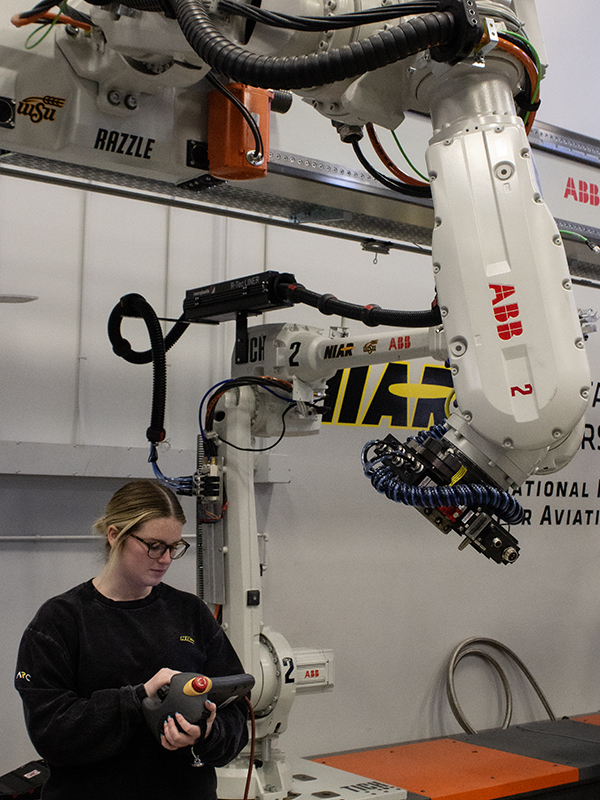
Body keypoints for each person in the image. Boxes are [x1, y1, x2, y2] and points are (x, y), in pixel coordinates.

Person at [14, 479, 249, 800]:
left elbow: (235, 715)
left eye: (174, 547)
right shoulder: (60, 621)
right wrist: (139, 698)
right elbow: (52, 733)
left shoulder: (190, 613)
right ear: (115, 535)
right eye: (154, 545)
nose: (165, 558)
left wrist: (207, 732)